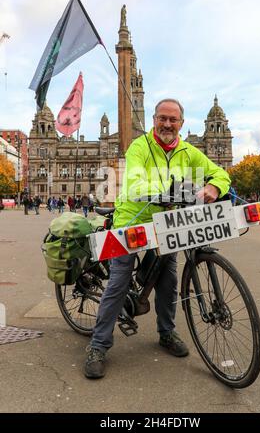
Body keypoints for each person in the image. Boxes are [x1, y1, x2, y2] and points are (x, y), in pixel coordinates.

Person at [84, 99, 231, 379]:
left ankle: (167, 332)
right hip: (133, 219)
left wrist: (214, 185)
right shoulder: (140, 146)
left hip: (167, 223)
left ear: (181, 124)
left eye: (172, 120)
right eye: (162, 118)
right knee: (118, 279)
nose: (167, 124)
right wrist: (179, 188)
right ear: (154, 120)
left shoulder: (189, 151)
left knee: (169, 278)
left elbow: (221, 173)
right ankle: (98, 345)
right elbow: (136, 183)